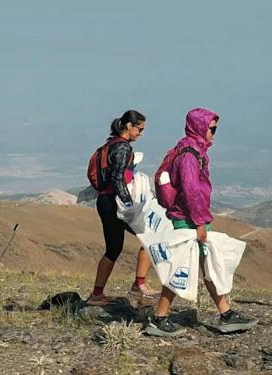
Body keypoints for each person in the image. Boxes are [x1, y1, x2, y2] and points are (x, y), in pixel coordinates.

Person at [145, 108, 258, 337]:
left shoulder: (189, 150)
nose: (213, 133)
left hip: (191, 218)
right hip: (188, 219)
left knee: (207, 264)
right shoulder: (189, 155)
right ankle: (159, 317)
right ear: (199, 127)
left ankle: (225, 313)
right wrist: (199, 222)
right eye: (211, 128)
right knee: (181, 267)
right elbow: (190, 190)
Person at [87, 110, 159, 305]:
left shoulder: (109, 144)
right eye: (139, 129)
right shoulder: (123, 148)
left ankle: (97, 293)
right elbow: (118, 178)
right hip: (115, 202)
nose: (141, 133)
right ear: (129, 126)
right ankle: (139, 284)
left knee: (113, 248)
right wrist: (129, 204)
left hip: (105, 200)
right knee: (149, 236)